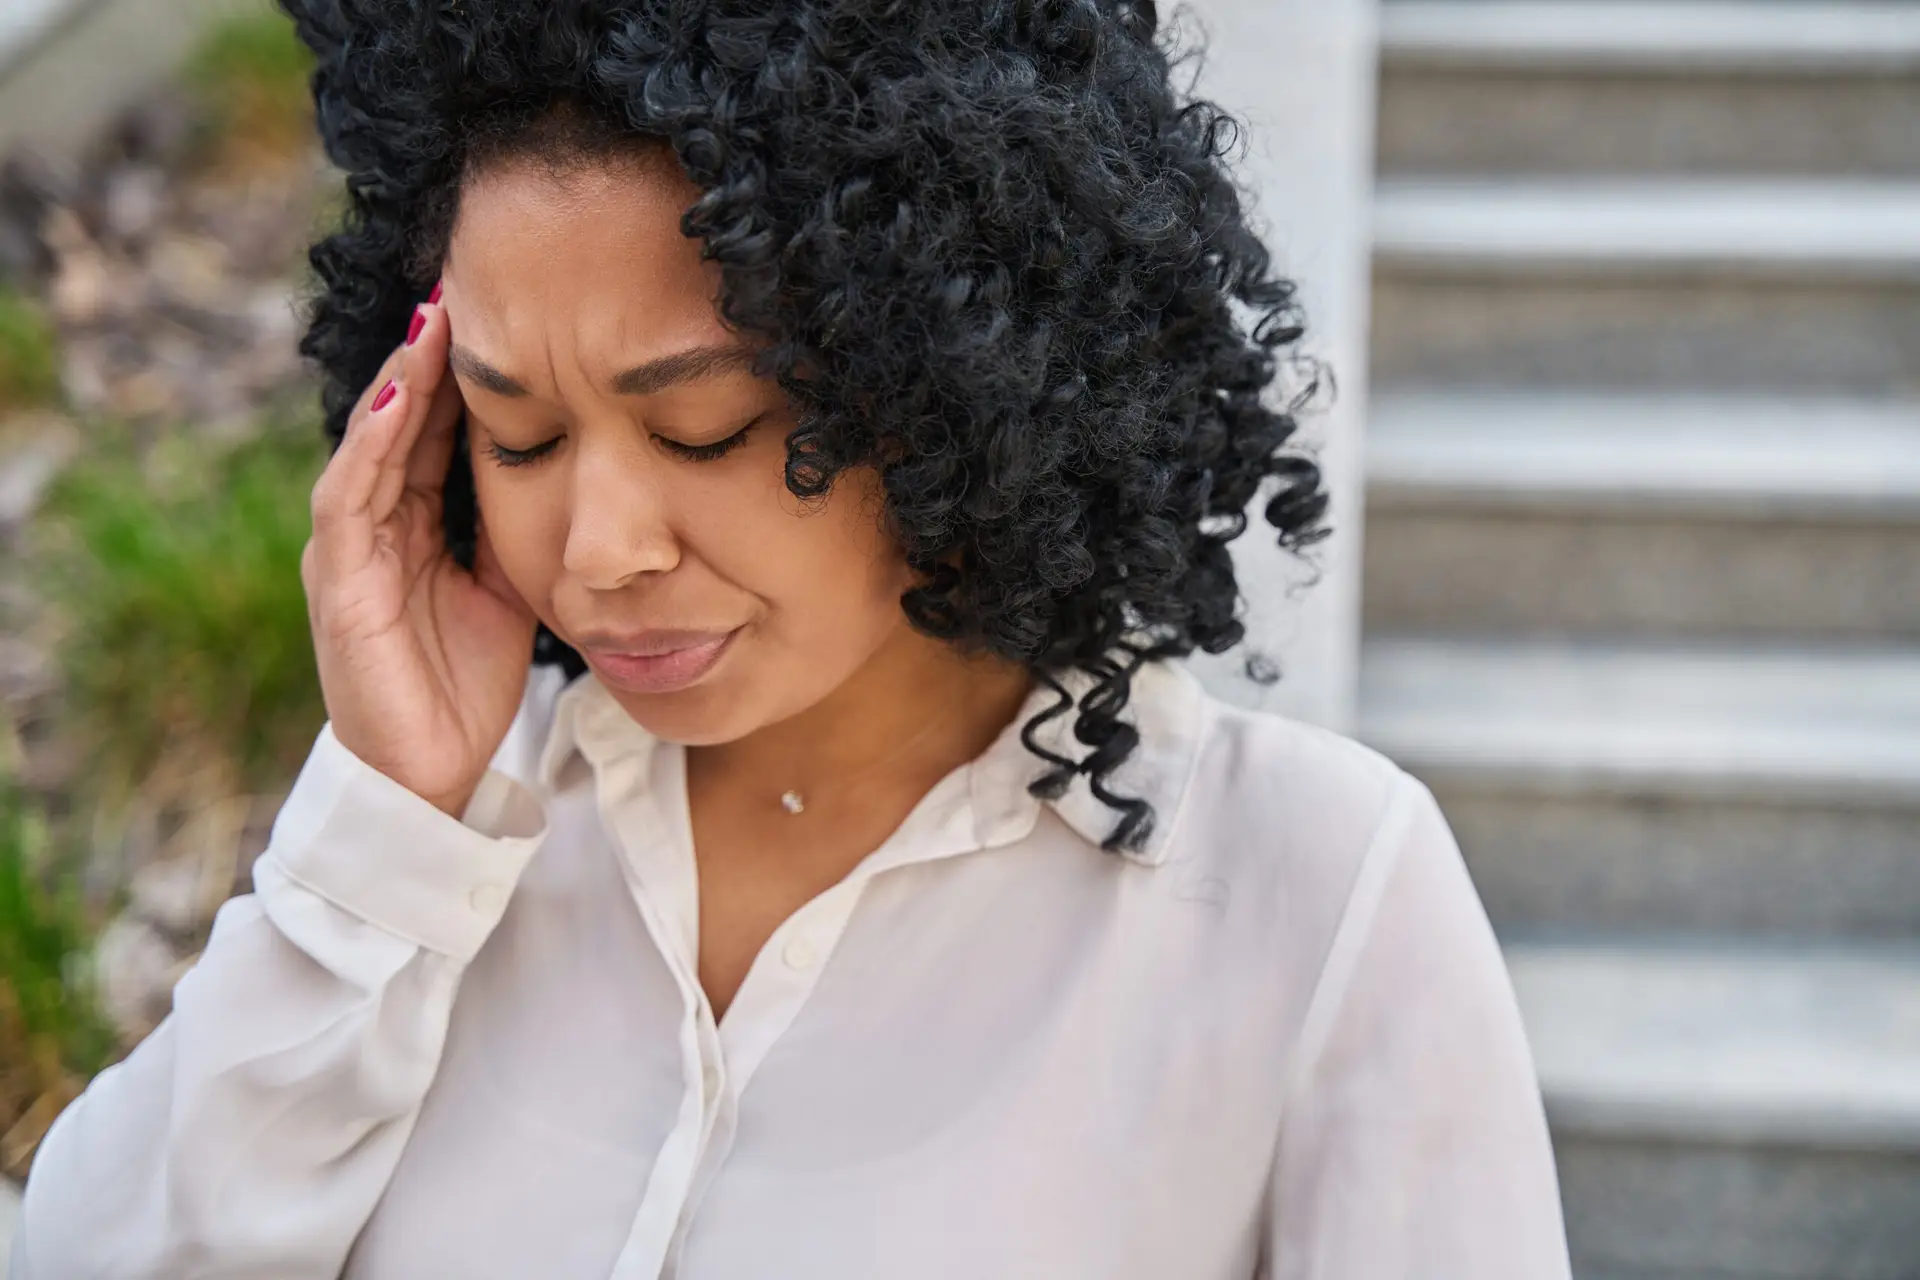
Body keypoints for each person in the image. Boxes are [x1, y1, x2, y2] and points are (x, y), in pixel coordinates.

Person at [11, 1, 1570, 1276]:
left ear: (954, 380)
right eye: (520, 434)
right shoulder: (439, 866)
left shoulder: (1310, 899)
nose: (602, 552)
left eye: (707, 429)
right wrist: (385, 828)